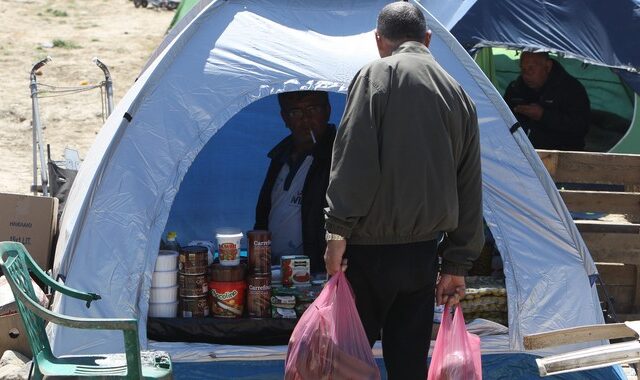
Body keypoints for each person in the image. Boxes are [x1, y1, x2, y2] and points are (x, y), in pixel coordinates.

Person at [323, 2, 484, 379]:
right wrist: (457, 264)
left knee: (349, 364)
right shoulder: (458, 93)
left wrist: (336, 232)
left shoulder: (375, 76)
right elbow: (469, 187)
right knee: (408, 365)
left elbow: (353, 163)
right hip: (422, 259)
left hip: (369, 254)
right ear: (428, 39)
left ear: (379, 41)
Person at [255, 91, 336, 274]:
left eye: (313, 109)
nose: (305, 119)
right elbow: (264, 214)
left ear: (328, 111)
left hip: (317, 273)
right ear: (285, 118)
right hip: (274, 270)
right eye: (295, 112)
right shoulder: (279, 157)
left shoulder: (339, 157)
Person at [504, 51, 591, 150]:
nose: (526, 74)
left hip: (562, 154)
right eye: (523, 69)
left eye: (531, 68)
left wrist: (543, 116)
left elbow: (580, 127)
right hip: (519, 153)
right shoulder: (515, 89)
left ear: (548, 66)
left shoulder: (572, 89)